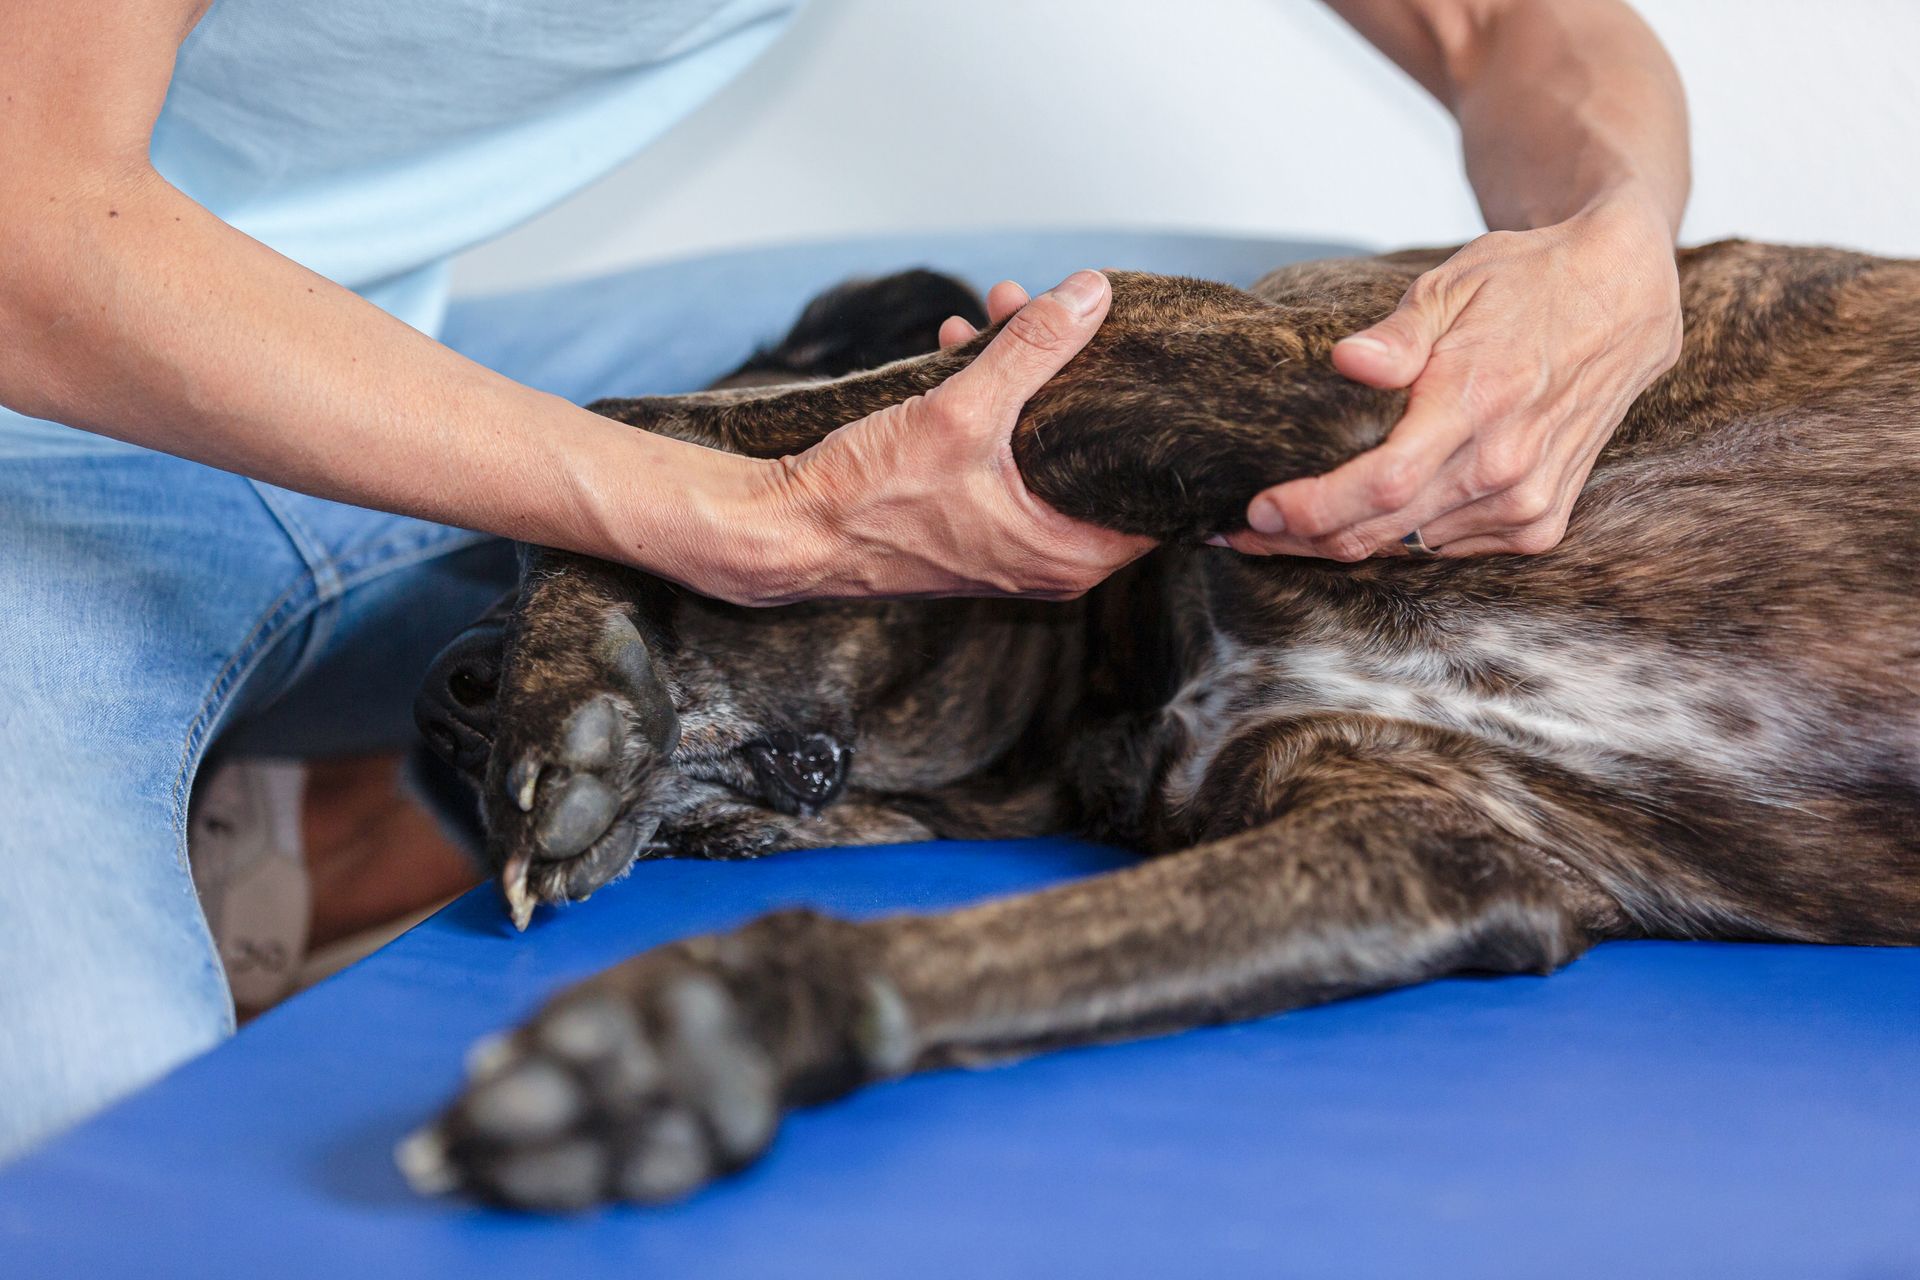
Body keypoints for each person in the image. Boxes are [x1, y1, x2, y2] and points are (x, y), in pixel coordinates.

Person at [0, 0, 1689, 1161]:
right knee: (85, 1133)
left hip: (387, 341)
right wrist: (753, 518)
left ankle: (344, 804)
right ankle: (291, 776)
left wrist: (1607, 246)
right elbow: (28, 227)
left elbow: (1501, 29)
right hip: (38, 400)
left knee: (1309, 340)